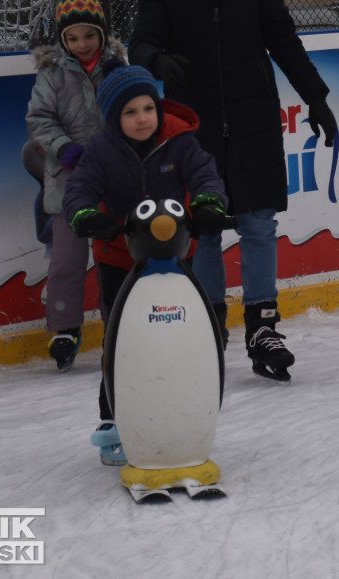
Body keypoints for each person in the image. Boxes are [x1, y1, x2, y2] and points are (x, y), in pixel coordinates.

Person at [127, 0, 337, 383]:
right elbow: (140, 44)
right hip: (192, 128)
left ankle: (263, 325)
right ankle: (208, 323)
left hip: (252, 119)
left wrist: (317, 98)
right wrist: (157, 62)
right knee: (204, 230)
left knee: (258, 224)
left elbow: (284, 42)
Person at [62, 65, 228, 464]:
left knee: (178, 337)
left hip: (174, 259)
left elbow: (206, 175)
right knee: (122, 340)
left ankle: (179, 413)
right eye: (130, 112)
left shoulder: (180, 141)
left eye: (147, 108)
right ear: (114, 118)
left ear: (158, 107)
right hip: (119, 259)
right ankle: (112, 419)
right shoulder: (101, 149)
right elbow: (79, 187)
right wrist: (86, 214)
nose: (142, 119)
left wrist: (208, 203)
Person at [25, 0, 126, 371]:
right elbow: (39, 119)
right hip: (66, 184)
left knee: (112, 259)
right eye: (72, 37)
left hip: (111, 182)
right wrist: (63, 147)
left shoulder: (117, 65)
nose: (81, 44)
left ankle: (116, 323)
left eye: (89, 35)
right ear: (62, 39)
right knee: (66, 260)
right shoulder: (52, 72)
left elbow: (133, 109)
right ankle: (64, 328)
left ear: (102, 33)